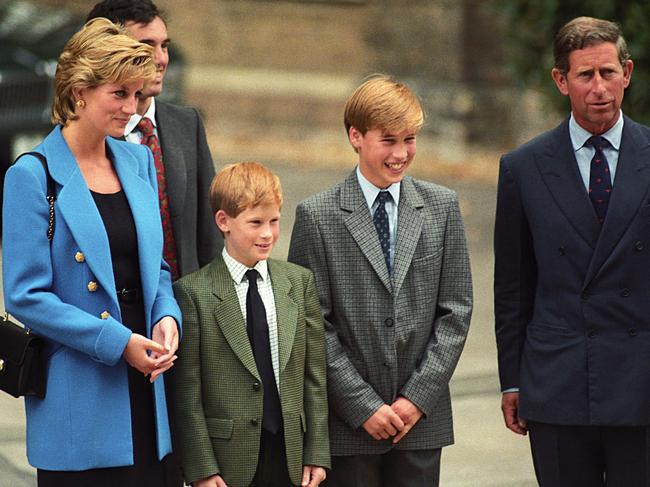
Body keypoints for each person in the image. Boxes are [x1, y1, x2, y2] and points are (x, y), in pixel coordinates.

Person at [2, 18, 182, 486]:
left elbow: (155, 268)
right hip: (79, 398)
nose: (132, 107)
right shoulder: (31, 175)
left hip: (147, 388)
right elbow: (24, 295)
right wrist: (118, 343)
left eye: (137, 95)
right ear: (80, 91)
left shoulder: (137, 159)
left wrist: (166, 317)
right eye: (119, 94)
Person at [288, 75, 472, 487]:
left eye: (410, 139)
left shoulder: (441, 207)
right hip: (349, 427)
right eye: (388, 140)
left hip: (420, 424)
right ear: (355, 136)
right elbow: (313, 323)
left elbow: (455, 311)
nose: (402, 153)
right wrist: (362, 405)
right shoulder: (318, 216)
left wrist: (416, 399)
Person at [493, 16, 650, 486]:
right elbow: (514, 288)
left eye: (607, 73)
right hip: (558, 382)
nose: (599, 87)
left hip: (641, 381)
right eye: (585, 75)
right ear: (561, 81)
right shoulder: (523, 167)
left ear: (627, 71)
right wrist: (512, 380)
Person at [168, 162, 330, 487]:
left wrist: (316, 453)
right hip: (228, 461)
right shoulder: (193, 293)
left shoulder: (298, 283)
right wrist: (202, 469)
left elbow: (314, 378)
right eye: (255, 222)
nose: (267, 233)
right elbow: (187, 393)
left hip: (289, 453)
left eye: (274, 221)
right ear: (223, 221)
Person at [87, 0, 221, 280]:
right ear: (109, 52)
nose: (161, 59)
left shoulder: (188, 124)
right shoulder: (90, 135)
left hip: (184, 308)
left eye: (165, 46)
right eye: (147, 46)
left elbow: (209, 235)